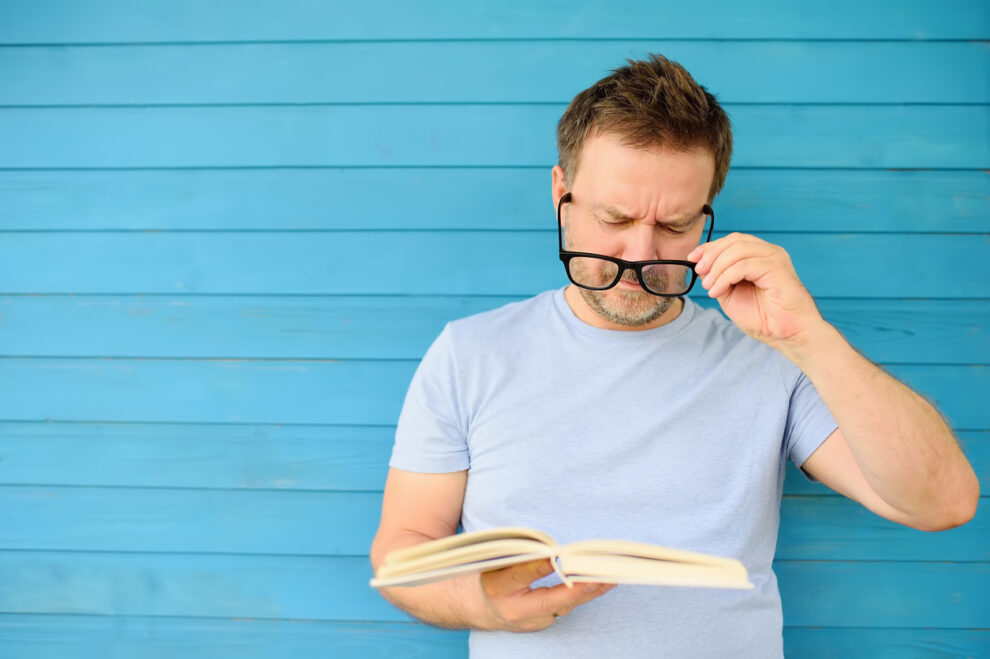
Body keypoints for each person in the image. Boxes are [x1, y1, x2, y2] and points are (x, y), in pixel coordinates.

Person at [370, 53, 979, 658]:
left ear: (708, 219)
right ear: (561, 193)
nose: (640, 253)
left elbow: (943, 503)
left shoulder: (772, 360)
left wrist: (809, 338)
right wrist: (482, 605)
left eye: (675, 225)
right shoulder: (469, 353)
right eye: (615, 217)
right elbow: (403, 547)